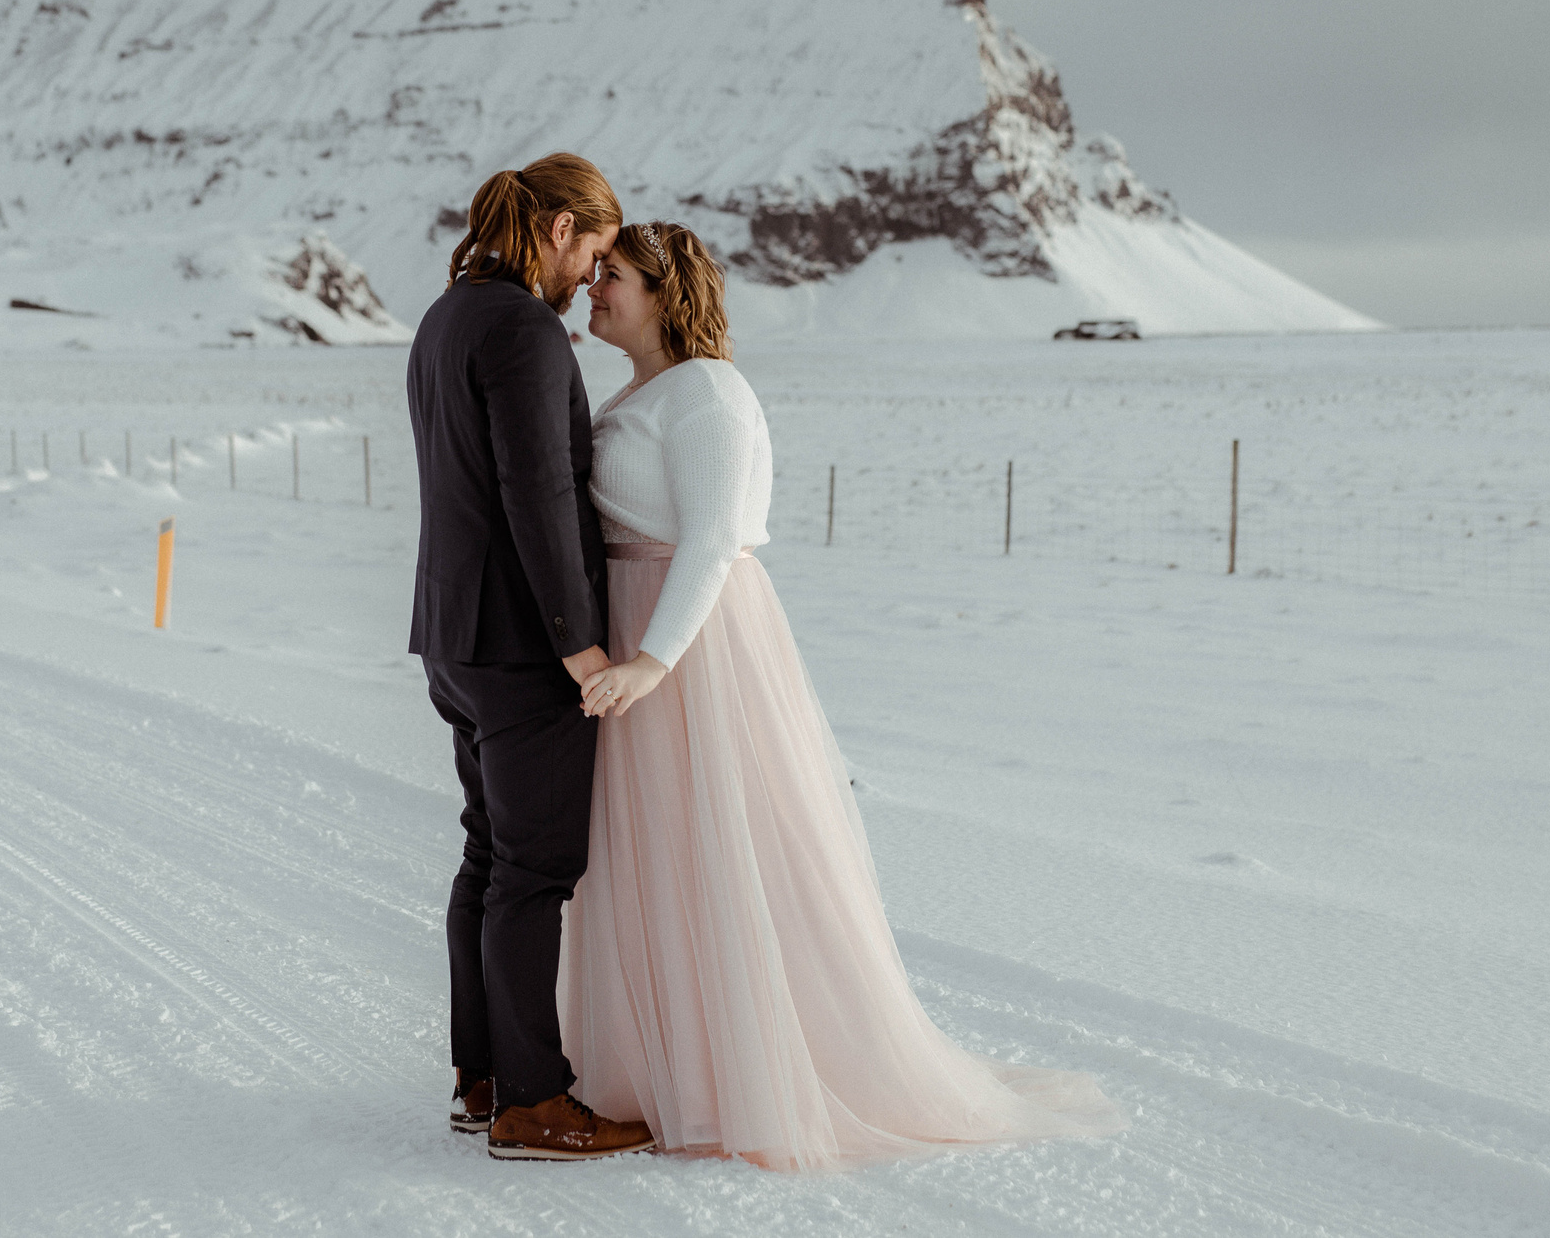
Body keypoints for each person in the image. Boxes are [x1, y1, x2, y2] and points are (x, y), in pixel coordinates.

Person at [561, 221, 1126, 1171]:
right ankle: (666, 1065)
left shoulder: (708, 392)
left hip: (689, 643)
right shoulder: (640, 391)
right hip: (635, 628)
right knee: (656, 851)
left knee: (724, 848)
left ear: (664, 292)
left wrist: (652, 662)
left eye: (612, 275)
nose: (594, 288)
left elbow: (713, 540)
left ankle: (747, 1072)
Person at [404, 153, 655, 1162]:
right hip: (520, 647)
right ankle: (531, 1103)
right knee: (534, 870)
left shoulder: (445, 317)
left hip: (453, 637)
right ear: (558, 231)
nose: (591, 275)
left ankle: (481, 1080)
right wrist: (578, 643)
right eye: (594, 252)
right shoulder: (522, 327)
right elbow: (537, 490)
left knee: (488, 854)